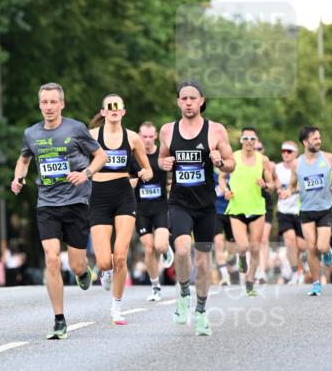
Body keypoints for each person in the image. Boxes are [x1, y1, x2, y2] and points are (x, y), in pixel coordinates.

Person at [11, 81, 108, 340]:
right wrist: (18, 178)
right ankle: (59, 319)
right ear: (39, 104)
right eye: (45, 102)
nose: (49, 107)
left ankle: (82, 271)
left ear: (62, 104)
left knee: (75, 264)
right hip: (47, 203)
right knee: (52, 258)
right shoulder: (31, 133)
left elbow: (101, 157)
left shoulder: (76, 129)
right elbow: (24, 159)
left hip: (76, 202)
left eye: (54, 102)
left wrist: (85, 173)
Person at [159, 80, 235, 336]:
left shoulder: (215, 130)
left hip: (205, 206)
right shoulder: (168, 131)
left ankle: (201, 311)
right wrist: (165, 163)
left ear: (202, 100)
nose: (188, 102)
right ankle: (183, 292)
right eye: (184, 98)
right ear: (178, 102)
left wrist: (220, 161)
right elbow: (161, 158)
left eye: (193, 98)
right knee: (181, 250)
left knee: (203, 264)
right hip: (179, 202)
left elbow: (231, 164)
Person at [86, 95, 152, 325]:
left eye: (118, 107)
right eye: (109, 107)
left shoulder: (133, 138)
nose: (114, 110)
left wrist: (145, 174)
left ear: (123, 112)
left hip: (124, 195)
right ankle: (105, 271)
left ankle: (116, 307)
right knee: (105, 261)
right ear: (103, 112)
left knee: (121, 256)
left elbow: (148, 169)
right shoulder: (92, 136)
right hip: (98, 196)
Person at [286, 125, 332, 296]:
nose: (319, 141)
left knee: (322, 246)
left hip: (325, 208)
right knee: (311, 247)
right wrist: (288, 191)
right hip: (306, 210)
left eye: (319, 138)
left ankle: (328, 251)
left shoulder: (328, 158)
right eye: (315, 138)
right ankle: (316, 284)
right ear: (305, 142)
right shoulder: (297, 164)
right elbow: (293, 185)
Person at [220, 128, 273, 296]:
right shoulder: (233, 158)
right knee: (242, 246)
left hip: (257, 208)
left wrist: (264, 185)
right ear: (241, 140)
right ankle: (242, 257)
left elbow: (271, 185)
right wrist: (225, 191)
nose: (249, 141)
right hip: (237, 208)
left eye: (252, 138)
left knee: (255, 248)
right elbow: (222, 177)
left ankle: (250, 280)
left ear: (256, 141)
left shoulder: (263, 160)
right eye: (246, 138)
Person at [130, 121, 174, 302]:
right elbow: (124, 176)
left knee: (160, 246)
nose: (147, 140)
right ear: (139, 136)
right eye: (144, 136)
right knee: (148, 248)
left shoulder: (162, 155)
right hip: (141, 209)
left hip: (161, 207)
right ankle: (155, 287)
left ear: (155, 136)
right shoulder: (133, 157)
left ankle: (166, 250)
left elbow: (174, 171)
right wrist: (130, 181)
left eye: (150, 137)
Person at [273, 140, 306, 284]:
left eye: (289, 151)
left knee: (303, 246)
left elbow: (304, 185)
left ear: (296, 153)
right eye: (283, 151)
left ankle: (302, 266)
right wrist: (279, 189)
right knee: (290, 241)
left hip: (300, 210)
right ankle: (295, 272)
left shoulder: (302, 166)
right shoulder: (277, 168)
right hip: (284, 210)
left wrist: (290, 191)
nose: (285, 154)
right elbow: (275, 181)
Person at [213, 169, 238, 287]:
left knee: (231, 249)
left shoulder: (232, 171)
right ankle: (224, 276)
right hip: (215, 212)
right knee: (218, 242)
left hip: (231, 211)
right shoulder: (209, 172)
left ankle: (232, 267)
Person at [254, 138, 274, 284]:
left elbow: (274, 185)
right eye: (255, 149)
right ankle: (252, 270)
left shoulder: (268, 164)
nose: (257, 151)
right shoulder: (242, 163)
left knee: (264, 238)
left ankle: (262, 271)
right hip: (248, 203)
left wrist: (266, 184)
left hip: (265, 202)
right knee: (253, 240)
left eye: (260, 149)